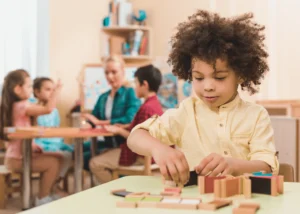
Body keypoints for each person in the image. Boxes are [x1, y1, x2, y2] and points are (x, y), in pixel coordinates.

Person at [127, 10, 279, 186]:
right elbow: (135, 136)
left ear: (241, 75)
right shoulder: (186, 112)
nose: (207, 86)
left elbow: (267, 167)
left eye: (219, 77)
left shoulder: (256, 115)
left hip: (243, 201)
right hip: (196, 202)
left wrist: (234, 165)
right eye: (199, 78)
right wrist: (159, 149)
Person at [0, 69, 66, 206]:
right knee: (53, 163)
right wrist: (56, 91)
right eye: (29, 86)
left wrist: (35, 145)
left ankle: (48, 192)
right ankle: (42, 198)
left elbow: (24, 132)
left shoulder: (14, 106)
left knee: (58, 157)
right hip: (18, 159)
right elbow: (48, 109)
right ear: (17, 89)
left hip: (16, 157)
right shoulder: (22, 106)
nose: (31, 90)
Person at [89, 64, 164, 183]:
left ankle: (115, 191)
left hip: (141, 157)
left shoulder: (146, 108)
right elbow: (142, 128)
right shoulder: (155, 104)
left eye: (136, 83)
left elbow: (141, 140)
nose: (134, 88)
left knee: (94, 163)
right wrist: (124, 126)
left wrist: (119, 130)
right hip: (153, 155)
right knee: (105, 153)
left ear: (144, 85)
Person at [81, 55, 141, 170]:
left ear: (123, 71)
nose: (110, 76)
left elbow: (130, 119)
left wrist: (100, 122)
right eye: (107, 73)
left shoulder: (130, 92)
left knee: (85, 158)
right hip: (109, 142)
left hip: (123, 144)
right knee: (76, 150)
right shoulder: (103, 97)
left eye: (114, 72)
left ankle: (103, 181)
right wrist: (87, 124)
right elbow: (93, 117)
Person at [33, 77, 73, 186]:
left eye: (53, 90)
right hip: (41, 145)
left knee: (70, 154)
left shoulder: (54, 111)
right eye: (48, 89)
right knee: (63, 156)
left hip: (55, 143)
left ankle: (54, 183)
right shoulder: (33, 108)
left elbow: (56, 128)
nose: (52, 93)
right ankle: (51, 186)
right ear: (37, 92)